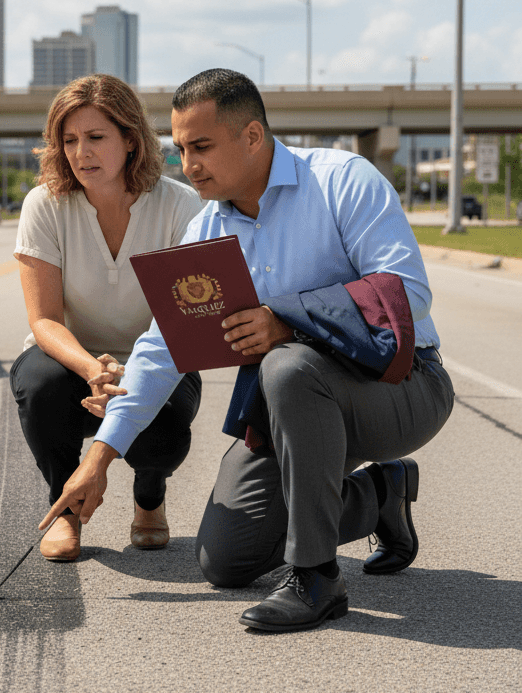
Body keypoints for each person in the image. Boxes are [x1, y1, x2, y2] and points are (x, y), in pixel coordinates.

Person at [41, 68, 455, 631]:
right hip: (293, 411)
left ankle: (315, 578)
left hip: (402, 387)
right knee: (225, 559)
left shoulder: (341, 179)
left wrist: (286, 319)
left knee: (286, 365)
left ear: (253, 137)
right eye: (181, 149)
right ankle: (380, 494)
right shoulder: (207, 228)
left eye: (203, 147)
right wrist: (98, 459)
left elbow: (408, 292)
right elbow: (163, 347)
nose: (188, 166)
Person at [12, 74, 203, 562]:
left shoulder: (181, 206)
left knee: (164, 433)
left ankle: (150, 496)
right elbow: (45, 319)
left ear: (131, 141)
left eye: (96, 137)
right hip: (73, 361)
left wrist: (129, 372)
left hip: (158, 358)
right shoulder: (45, 205)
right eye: (69, 140)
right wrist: (93, 369)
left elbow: (188, 323)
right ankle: (66, 510)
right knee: (39, 384)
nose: (81, 153)